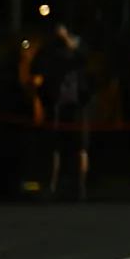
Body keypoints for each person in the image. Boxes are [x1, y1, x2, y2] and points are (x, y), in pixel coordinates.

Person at [29, 19, 92, 201]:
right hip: (55, 103)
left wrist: (70, 44)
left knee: (80, 147)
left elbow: (85, 61)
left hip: (76, 105)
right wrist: (41, 92)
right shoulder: (48, 50)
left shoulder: (77, 46)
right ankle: (51, 186)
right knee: (53, 146)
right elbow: (35, 68)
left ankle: (80, 188)